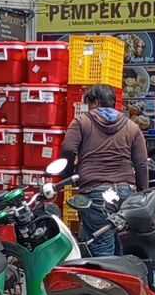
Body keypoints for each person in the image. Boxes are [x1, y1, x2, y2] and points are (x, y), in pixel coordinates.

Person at [61, 84, 148, 256]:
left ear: (95, 102)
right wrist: (142, 193)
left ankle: (107, 280)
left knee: (101, 245)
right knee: (121, 240)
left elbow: (69, 149)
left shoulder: (81, 122)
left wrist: (68, 174)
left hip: (96, 192)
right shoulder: (132, 127)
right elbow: (141, 164)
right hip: (125, 193)